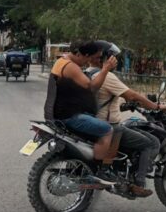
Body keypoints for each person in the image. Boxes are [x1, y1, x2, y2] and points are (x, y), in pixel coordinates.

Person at [86, 42, 165, 198]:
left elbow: (105, 98)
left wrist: (123, 106)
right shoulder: (107, 76)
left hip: (93, 123)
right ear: (106, 58)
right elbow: (132, 95)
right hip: (109, 126)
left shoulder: (87, 73)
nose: (116, 60)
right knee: (150, 143)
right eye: (113, 57)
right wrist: (156, 106)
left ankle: (122, 173)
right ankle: (138, 184)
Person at [44, 40, 119, 185]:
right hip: (70, 116)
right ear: (79, 54)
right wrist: (105, 69)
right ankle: (98, 171)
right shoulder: (71, 67)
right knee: (107, 130)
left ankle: (84, 163)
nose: (87, 62)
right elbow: (91, 87)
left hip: (60, 113)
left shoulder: (62, 61)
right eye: (87, 58)